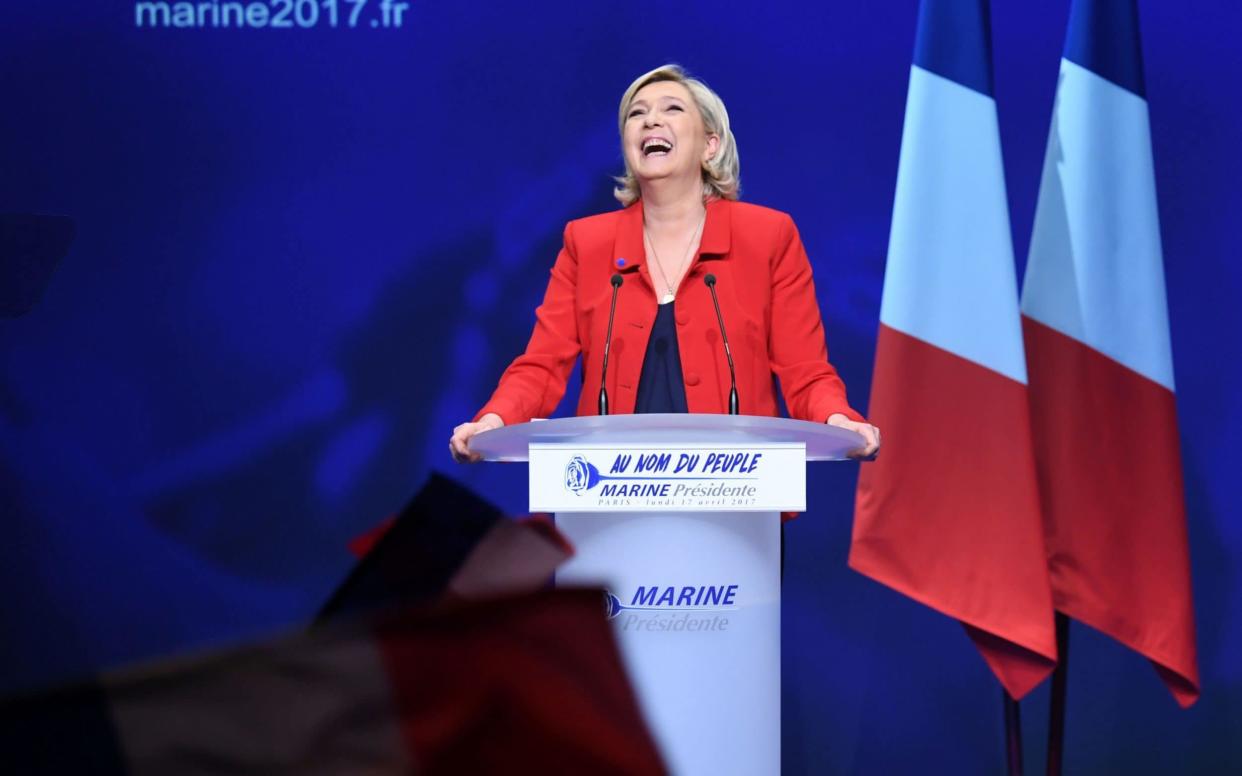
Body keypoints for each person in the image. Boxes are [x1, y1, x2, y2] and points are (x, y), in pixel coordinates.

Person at [450, 64, 880, 463]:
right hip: (608, 494)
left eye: (671, 109)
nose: (650, 120)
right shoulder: (587, 242)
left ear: (710, 144)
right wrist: (495, 421)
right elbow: (542, 366)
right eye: (636, 115)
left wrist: (835, 420)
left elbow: (804, 371)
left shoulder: (768, 236)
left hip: (738, 497)